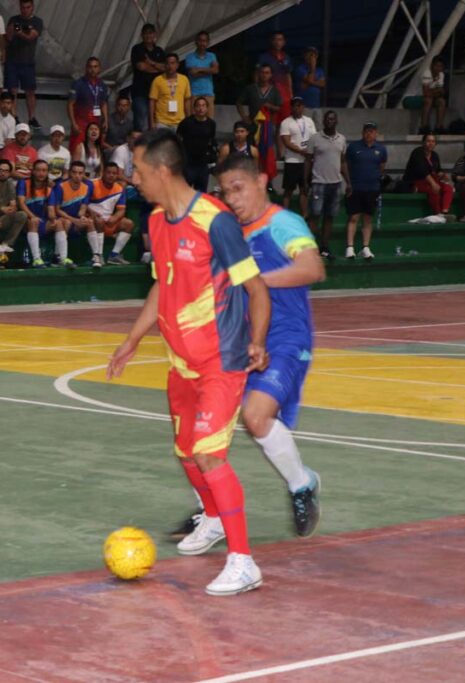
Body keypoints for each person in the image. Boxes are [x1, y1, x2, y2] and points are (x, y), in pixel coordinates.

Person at [107, 130, 271, 596]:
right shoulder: (157, 222)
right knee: (185, 451)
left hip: (222, 358)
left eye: (138, 170)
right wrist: (132, 340)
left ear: (162, 170)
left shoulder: (215, 222)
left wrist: (256, 341)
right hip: (181, 361)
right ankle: (214, 519)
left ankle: (244, 561)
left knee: (207, 453)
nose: (133, 178)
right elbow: (161, 285)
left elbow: (255, 289)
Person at [216, 154, 325, 537]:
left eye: (238, 188)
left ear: (261, 181)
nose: (231, 198)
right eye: (225, 191)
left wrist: (255, 280)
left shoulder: (282, 223)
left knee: (257, 416)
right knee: (209, 427)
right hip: (239, 339)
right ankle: (209, 512)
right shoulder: (229, 231)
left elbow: (313, 268)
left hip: (285, 337)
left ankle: (301, 484)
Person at [304, 110, 347, 259]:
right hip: (318, 183)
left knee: (329, 216)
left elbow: (343, 161)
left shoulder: (342, 139)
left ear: (337, 121)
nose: (330, 121)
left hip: (335, 184)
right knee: (315, 215)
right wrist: (305, 180)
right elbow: (308, 160)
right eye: (327, 119)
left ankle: (324, 247)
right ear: (323, 121)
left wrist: (349, 182)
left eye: (332, 119)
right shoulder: (315, 138)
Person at [343, 122, 387, 260]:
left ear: (376, 133)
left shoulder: (381, 149)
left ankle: (365, 247)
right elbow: (346, 165)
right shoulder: (353, 147)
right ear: (362, 133)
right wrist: (349, 183)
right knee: (353, 217)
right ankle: (350, 248)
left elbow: (381, 167)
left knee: (368, 218)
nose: (369, 133)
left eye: (372, 131)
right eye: (367, 131)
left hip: (372, 188)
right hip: (355, 188)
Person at [236, 64, 282, 180]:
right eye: (262, 72)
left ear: (270, 75)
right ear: (258, 74)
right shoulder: (251, 88)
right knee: (251, 153)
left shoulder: (274, 90)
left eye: (267, 73)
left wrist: (269, 106)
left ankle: (267, 181)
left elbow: (279, 108)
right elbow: (239, 102)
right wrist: (244, 116)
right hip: (252, 126)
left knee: (266, 154)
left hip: (267, 127)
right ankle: (251, 177)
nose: (264, 75)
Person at [49, 160, 94, 269]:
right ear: (69, 173)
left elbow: (83, 207)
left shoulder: (87, 186)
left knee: (90, 222)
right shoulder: (60, 186)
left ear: (84, 174)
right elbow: (57, 210)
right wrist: (74, 220)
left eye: (80, 173)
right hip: (63, 218)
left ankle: (97, 256)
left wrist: (82, 217)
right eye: (74, 172)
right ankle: (57, 257)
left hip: (76, 219)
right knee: (67, 223)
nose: (77, 176)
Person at [5, 0, 43, 127]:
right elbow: (9, 36)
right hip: (12, 61)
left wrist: (18, 30)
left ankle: (32, 117)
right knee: (13, 90)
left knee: (30, 91)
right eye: (23, 7)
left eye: (28, 7)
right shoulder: (13, 19)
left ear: (32, 8)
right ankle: (13, 116)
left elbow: (31, 36)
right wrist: (22, 30)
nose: (25, 10)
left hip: (28, 62)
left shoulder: (37, 21)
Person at [88, 162, 135, 265]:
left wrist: (114, 218)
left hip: (108, 221)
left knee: (129, 224)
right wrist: (92, 214)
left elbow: (121, 210)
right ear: (103, 173)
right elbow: (83, 204)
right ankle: (98, 255)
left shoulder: (119, 188)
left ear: (117, 175)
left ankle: (114, 255)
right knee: (98, 221)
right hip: (93, 221)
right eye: (108, 172)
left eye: (114, 173)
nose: (111, 175)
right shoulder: (92, 184)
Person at [0, 159, 27, 265]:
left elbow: (13, 203)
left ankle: (5, 245)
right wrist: (1, 209)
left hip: (4, 218)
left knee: (22, 215)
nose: (3, 173)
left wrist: (12, 207)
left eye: (6, 171)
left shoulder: (10, 183)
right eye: (0, 170)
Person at [278, 96, 316, 215]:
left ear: (303, 107)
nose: (298, 108)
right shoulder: (286, 122)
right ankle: (285, 215)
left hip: (307, 161)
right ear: (291, 107)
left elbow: (314, 138)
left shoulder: (309, 121)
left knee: (304, 189)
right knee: (289, 190)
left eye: (300, 105)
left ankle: (304, 215)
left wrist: (310, 151)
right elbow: (286, 142)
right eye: (295, 105)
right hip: (292, 160)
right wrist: (301, 151)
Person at [404, 132, 454, 222]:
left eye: (433, 141)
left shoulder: (434, 155)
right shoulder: (417, 152)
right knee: (433, 189)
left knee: (448, 188)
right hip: (417, 181)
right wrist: (433, 183)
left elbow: (438, 169)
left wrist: (442, 174)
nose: (430, 143)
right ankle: (438, 214)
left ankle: (444, 212)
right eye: (428, 141)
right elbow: (422, 171)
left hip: (431, 180)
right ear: (423, 142)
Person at [17, 159, 54, 267]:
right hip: (26, 220)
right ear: (33, 171)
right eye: (38, 170)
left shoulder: (49, 188)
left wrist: (53, 219)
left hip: (42, 220)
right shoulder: (23, 183)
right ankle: (37, 259)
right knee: (33, 222)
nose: (41, 173)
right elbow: (21, 204)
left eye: (44, 170)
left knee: (60, 223)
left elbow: (51, 209)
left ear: (47, 172)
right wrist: (32, 216)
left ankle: (60, 257)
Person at [68, 57, 111, 151]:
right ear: (86, 68)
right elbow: (70, 104)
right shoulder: (78, 84)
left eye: (95, 67)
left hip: (96, 123)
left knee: (94, 149)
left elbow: (103, 103)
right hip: (81, 123)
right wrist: (73, 123)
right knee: (77, 148)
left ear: (99, 68)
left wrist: (106, 120)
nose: (93, 69)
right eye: (90, 67)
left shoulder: (102, 85)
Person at [130, 23, 166, 133]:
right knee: (142, 123)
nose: (148, 36)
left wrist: (151, 63)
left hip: (156, 93)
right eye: (146, 33)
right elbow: (141, 67)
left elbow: (165, 67)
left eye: (150, 33)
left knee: (156, 123)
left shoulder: (159, 51)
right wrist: (157, 67)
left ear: (155, 34)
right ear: (142, 35)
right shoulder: (137, 49)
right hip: (140, 92)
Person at [177, 96, 215, 191]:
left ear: (207, 108)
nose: (201, 108)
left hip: (203, 164)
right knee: (185, 192)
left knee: (201, 194)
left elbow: (211, 140)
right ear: (194, 108)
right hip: (188, 164)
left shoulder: (211, 124)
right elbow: (178, 139)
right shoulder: (186, 123)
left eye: (203, 106)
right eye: (198, 106)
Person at [149, 53, 191, 132]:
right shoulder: (157, 80)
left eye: (172, 63)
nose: (170, 66)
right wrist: (152, 122)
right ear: (165, 65)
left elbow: (187, 101)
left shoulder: (184, 79)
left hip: (180, 122)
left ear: (177, 65)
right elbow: (152, 102)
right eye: (167, 63)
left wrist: (188, 120)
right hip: (162, 122)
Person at [259, 31, 293, 123]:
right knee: (267, 122)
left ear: (284, 42)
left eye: (280, 40)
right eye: (275, 39)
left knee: (283, 123)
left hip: (284, 96)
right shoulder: (264, 57)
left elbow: (288, 75)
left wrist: (290, 94)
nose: (278, 42)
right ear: (271, 41)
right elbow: (256, 75)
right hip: (269, 93)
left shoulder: (286, 57)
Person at [185, 31, 218, 118]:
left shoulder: (212, 56)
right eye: (200, 41)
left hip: (208, 93)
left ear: (208, 42)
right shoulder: (189, 57)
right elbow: (193, 73)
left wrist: (199, 69)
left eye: (205, 41)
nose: (202, 43)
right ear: (196, 42)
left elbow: (215, 70)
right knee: (194, 121)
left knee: (209, 122)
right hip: (194, 93)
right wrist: (208, 70)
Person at [293, 46, 325, 127]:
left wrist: (309, 82)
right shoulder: (300, 69)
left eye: (314, 55)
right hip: (304, 106)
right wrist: (312, 67)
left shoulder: (320, 70)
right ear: (305, 56)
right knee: (304, 128)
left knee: (318, 128)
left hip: (317, 106)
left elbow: (322, 84)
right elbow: (310, 80)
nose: (312, 57)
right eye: (310, 55)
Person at [420, 57, 447, 134]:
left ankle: (438, 127)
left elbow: (442, 92)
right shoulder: (427, 73)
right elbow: (425, 93)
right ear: (432, 65)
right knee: (428, 100)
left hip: (433, 97)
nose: (438, 68)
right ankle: (423, 127)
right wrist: (437, 91)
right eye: (436, 66)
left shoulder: (441, 75)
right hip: (417, 96)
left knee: (442, 101)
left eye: (440, 66)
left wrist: (435, 91)